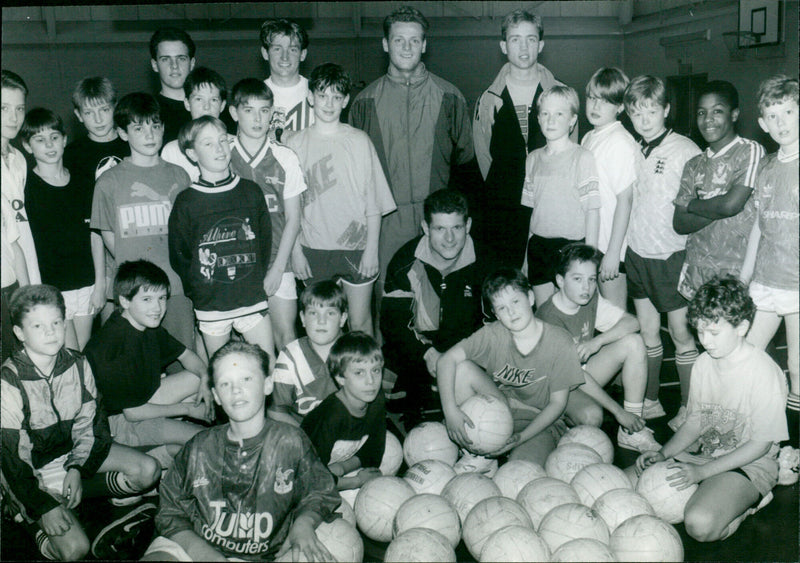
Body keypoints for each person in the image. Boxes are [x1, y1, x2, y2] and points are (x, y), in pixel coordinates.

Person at [141, 340, 340, 562]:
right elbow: (170, 510)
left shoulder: (291, 441)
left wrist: (305, 523)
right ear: (216, 396)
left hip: (260, 554)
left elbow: (322, 490)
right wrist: (202, 553)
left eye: (246, 379)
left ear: (267, 385)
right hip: (194, 545)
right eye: (225, 384)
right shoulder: (199, 448)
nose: (236, 390)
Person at [1, 285, 160, 560]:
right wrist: (42, 507)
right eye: (38, 325)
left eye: (56, 322)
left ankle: (78, 498)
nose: (51, 332)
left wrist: (76, 467)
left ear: (65, 323)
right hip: (31, 468)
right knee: (75, 550)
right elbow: (13, 456)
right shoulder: (9, 380)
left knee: (149, 470)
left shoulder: (77, 363)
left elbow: (93, 425)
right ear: (19, 333)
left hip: (71, 454)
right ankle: (27, 517)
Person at [636, 277, 788, 542]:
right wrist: (663, 454)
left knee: (700, 524)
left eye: (714, 333)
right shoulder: (704, 364)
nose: (705, 341)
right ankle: (715, 492)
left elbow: (761, 445)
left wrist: (703, 473)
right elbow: (695, 422)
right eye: (700, 331)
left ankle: (751, 503)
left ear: (741, 327)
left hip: (752, 463)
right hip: (707, 453)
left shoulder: (765, 373)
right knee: (633, 483)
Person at [348, 6, 474, 278]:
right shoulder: (364, 103)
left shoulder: (450, 97)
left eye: (414, 40)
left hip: (438, 224)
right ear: (385, 44)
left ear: (424, 45)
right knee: (391, 303)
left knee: (441, 306)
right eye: (398, 40)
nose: (407, 48)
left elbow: (466, 164)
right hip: (384, 224)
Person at [286, 63, 396, 336]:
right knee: (318, 327)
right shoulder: (294, 144)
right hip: (312, 248)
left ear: (346, 100)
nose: (329, 103)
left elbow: (374, 203)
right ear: (310, 97)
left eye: (337, 97)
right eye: (323, 95)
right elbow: (289, 208)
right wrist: (296, 251)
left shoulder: (359, 141)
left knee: (360, 325)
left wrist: (371, 250)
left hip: (356, 247)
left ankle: (365, 377)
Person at [436, 268, 586, 467]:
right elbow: (445, 360)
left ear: (530, 298)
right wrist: (450, 411)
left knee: (518, 472)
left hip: (540, 421)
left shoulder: (559, 341)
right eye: (502, 308)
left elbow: (557, 404)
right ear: (496, 315)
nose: (511, 312)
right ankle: (478, 453)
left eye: (515, 301)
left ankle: (515, 453)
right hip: (501, 411)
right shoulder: (492, 334)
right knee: (461, 368)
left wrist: (521, 437)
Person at [623, 75, 701, 429]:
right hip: (638, 255)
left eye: (651, 110)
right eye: (637, 113)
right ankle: (651, 400)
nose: (645, 119)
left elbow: (701, 205)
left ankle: (689, 407)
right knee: (648, 332)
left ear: (666, 110)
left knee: (682, 335)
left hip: (671, 256)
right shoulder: (633, 148)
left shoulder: (685, 150)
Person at [90, 92, 195, 351]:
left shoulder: (180, 176)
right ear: (123, 133)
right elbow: (107, 234)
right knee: (134, 369)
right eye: (139, 128)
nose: (150, 135)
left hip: (175, 288)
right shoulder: (109, 181)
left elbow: (189, 235)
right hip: (133, 291)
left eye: (155, 126)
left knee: (184, 364)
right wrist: (133, 271)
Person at [535, 243, 660, 453]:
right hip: (550, 390)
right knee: (592, 416)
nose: (586, 287)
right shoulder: (549, 319)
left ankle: (631, 432)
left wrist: (597, 342)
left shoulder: (588, 299)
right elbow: (573, 376)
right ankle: (556, 425)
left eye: (591, 279)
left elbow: (632, 323)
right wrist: (619, 412)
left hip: (580, 375)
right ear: (559, 280)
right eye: (577, 279)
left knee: (634, 342)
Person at [84, 260, 212, 462]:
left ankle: (166, 439)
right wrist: (188, 410)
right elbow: (133, 413)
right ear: (125, 301)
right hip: (115, 422)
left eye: (161, 298)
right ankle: (151, 456)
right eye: (147, 299)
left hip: (141, 401)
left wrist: (205, 378)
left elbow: (186, 355)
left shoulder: (143, 325)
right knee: (202, 440)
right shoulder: (114, 346)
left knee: (197, 379)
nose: (157, 308)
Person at [473, 9, 571, 270]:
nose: (523, 47)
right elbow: (484, 157)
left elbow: (573, 152)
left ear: (541, 44)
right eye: (515, 39)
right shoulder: (488, 99)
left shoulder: (563, 94)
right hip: (503, 208)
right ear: (504, 46)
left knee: (548, 279)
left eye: (530, 39)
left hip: (551, 204)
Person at [169, 115, 273, 360]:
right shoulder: (187, 201)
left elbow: (264, 244)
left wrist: (254, 279)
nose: (219, 149)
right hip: (211, 305)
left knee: (266, 367)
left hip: (250, 299)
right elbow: (179, 255)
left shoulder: (250, 191)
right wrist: (201, 290)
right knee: (222, 374)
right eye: (208, 144)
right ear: (192, 154)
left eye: (223, 140)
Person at [381, 189, 488, 420]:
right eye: (440, 229)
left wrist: (458, 359)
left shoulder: (487, 262)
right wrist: (427, 354)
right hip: (422, 351)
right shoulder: (404, 262)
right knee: (386, 390)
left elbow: (496, 327)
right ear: (426, 228)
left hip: (467, 354)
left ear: (467, 225)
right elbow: (392, 324)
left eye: (456, 228)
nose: (449, 239)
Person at [741, 75, 799, 447]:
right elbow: (759, 228)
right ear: (762, 123)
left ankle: (793, 450)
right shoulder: (766, 167)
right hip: (766, 281)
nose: (782, 123)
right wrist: (745, 276)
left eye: (789, 112)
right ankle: (755, 432)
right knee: (745, 356)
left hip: (797, 286)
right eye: (773, 116)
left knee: (798, 366)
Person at [229, 78, 306, 351]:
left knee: (287, 339)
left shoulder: (285, 158)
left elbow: (293, 219)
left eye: (264, 110)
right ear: (233, 112)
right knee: (242, 346)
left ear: (272, 113)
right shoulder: (222, 155)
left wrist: (277, 268)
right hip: (233, 264)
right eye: (249, 110)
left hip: (277, 261)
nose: (257, 118)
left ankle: (292, 394)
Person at [673, 80, 765, 301]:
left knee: (737, 334)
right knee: (703, 335)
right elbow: (679, 223)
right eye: (702, 113)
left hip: (736, 268)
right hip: (698, 266)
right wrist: (718, 206)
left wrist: (692, 205)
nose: (708, 120)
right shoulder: (693, 164)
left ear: (734, 115)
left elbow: (731, 205)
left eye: (717, 111)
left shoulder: (750, 151)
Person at [20, 108, 102, 351]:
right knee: (68, 352)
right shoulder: (26, 188)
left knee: (82, 351)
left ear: (65, 140)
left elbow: (94, 234)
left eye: (54, 137)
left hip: (86, 283)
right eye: (39, 139)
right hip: (53, 287)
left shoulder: (83, 182)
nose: (49, 145)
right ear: (27, 146)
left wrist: (100, 284)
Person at [521, 84, 600, 305]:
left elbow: (592, 211)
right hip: (538, 247)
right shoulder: (533, 159)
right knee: (546, 314)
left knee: (572, 313)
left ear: (572, 120)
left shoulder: (582, 157)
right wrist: (527, 256)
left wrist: (590, 258)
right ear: (538, 119)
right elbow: (532, 213)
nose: (551, 120)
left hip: (572, 249)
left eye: (559, 114)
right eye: (545, 114)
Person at [64, 77, 130, 324]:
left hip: (134, 235)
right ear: (78, 116)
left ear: (115, 108)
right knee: (112, 324)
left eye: (104, 110)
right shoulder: (72, 154)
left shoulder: (132, 143)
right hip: (97, 248)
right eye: (89, 113)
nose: (99, 119)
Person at [581, 68, 640, 308]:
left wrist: (613, 253)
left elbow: (625, 200)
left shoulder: (619, 142)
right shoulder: (588, 137)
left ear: (620, 107)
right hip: (592, 241)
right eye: (592, 98)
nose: (596, 106)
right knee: (596, 314)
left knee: (616, 315)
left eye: (605, 101)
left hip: (611, 247)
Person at [301, 332, 385, 492]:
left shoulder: (376, 399)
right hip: (298, 475)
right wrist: (357, 481)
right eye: (359, 372)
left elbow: (374, 451)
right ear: (340, 378)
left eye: (376, 370)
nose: (371, 381)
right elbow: (311, 479)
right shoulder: (331, 416)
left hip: (335, 468)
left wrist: (341, 468)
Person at [269, 280, 348, 426]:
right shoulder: (291, 355)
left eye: (330, 313)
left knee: (390, 446)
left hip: (348, 429)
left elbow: (371, 402)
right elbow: (276, 412)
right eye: (313, 313)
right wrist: (310, 437)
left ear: (342, 319)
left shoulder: (355, 350)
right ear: (303, 318)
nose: (321, 321)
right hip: (305, 432)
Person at [1, 70, 40, 285]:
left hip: (25, 266)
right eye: (3, 108)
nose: (14, 118)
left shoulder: (20, 160)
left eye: (19, 109)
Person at [161, 66, 227, 182]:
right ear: (187, 103)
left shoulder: (232, 145)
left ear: (222, 105)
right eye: (199, 99)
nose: (206, 107)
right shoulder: (171, 151)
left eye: (213, 100)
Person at [260, 18, 314, 141]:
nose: (285, 57)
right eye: (277, 49)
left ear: (303, 54)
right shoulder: (253, 95)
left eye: (293, 49)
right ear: (265, 53)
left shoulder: (318, 94)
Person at [149, 27, 195, 144]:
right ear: (155, 65)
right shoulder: (147, 113)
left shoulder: (213, 108)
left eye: (181, 58)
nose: (174, 66)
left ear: (192, 63)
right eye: (165, 59)